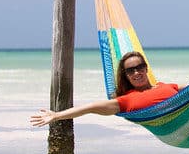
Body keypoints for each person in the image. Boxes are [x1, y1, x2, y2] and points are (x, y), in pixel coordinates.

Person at [30, 51, 179, 127]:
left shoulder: (166, 85)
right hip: (177, 125)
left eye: (139, 67)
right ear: (126, 75)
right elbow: (90, 107)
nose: (136, 73)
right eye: (130, 70)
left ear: (146, 68)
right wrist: (56, 116)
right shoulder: (126, 100)